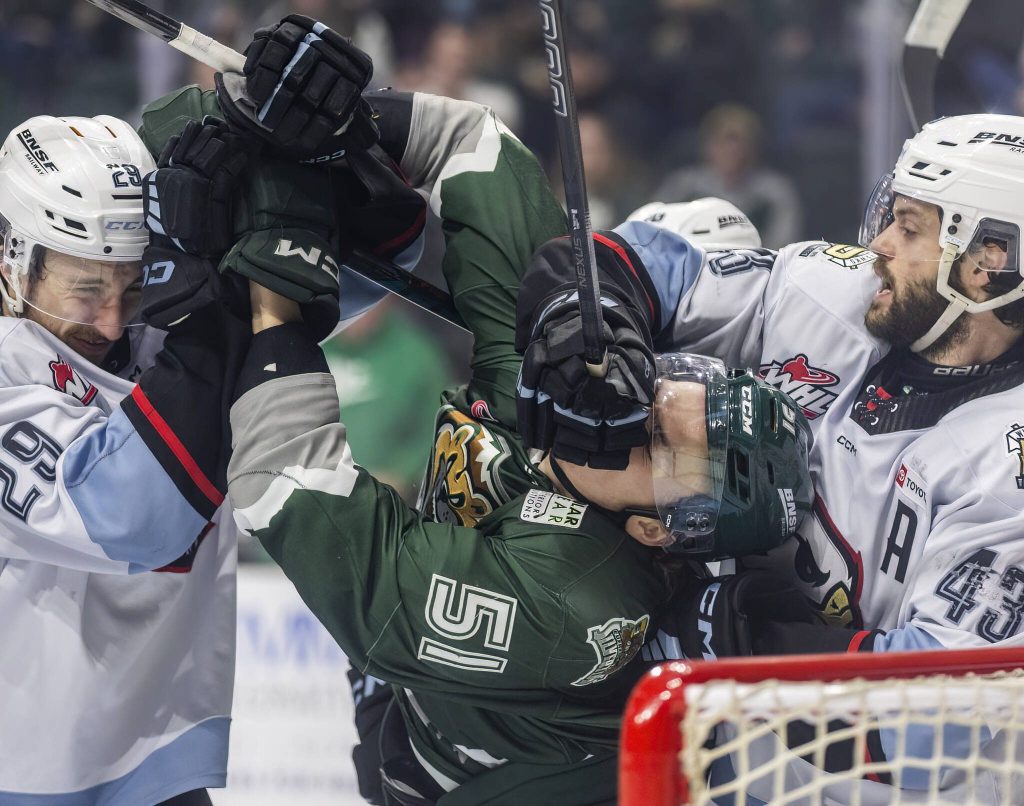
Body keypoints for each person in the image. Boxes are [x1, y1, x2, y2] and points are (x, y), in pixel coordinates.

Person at [133, 21, 820, 800]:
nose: (632, 411)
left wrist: (269, 306)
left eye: (654, 442)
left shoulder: (578, 602)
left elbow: (293, 493)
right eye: (664, 389)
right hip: (415, 698)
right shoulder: (566, 370)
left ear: (655, 532)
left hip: (435, 774)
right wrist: (347, 121)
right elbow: (479, 148)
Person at [515, 113, 1024, 793]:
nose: (878, 244)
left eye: (909, 227)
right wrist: (583, 318)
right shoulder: (837, 291)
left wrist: (741, 635)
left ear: (989, 263)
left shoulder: (1005, 461)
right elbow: (638, 258)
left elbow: (936, 719)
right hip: (715, 773)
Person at [0, 114, 248, 804]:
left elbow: (323, 289)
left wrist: (302, 173)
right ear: (11, 256)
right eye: (86, 291)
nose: (113, 323)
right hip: (26, 773)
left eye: (132, 287)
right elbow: (134, 517)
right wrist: (214, 315)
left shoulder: (148, 328)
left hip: (158, 756)